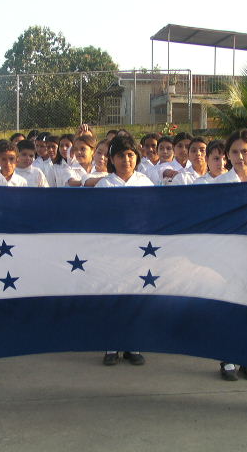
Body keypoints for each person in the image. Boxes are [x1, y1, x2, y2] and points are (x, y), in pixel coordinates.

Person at [95, 136, 153, 365]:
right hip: (111, 251)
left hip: (139, 251)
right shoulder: (104, 185)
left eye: (130, 155)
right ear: (112, 159)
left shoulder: (145, 183)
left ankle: (133, 345)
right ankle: (111, 346)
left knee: (136, 297)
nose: (126, 160)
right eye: (120, 155)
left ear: (136, 157)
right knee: (112, 296)